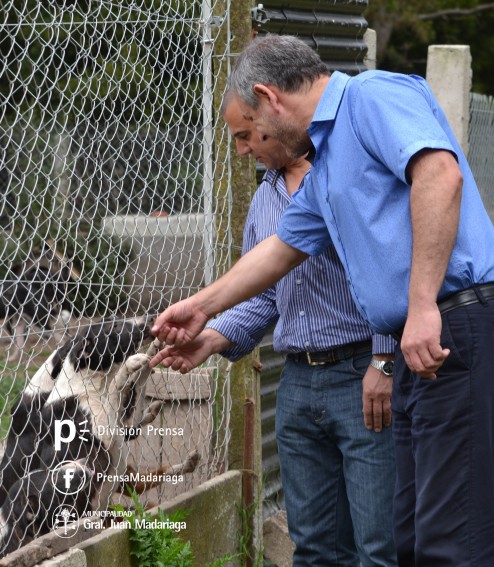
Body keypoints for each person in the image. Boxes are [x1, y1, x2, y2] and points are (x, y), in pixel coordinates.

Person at [150, 35, 494, 566]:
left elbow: (439, 174)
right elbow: (279, 251)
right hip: (424, 339)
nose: (247, 147)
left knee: (453, 546)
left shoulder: (371, 96)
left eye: (250, 131)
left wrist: (422, 306)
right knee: (413, 543)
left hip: (459, 321)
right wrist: (201, 307)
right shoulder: (325, 164)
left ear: (268, 96)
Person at [164, 90, 398, 566]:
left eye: (246, 135)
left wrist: (384, 359)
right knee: (313, 548)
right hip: (297, 384)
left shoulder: (345, 175)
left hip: (363, 376)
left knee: (380, 546)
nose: (242, 150)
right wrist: (210, 339)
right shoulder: (263, 201)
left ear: (272, 114)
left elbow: (391, 262)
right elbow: (266, 296)